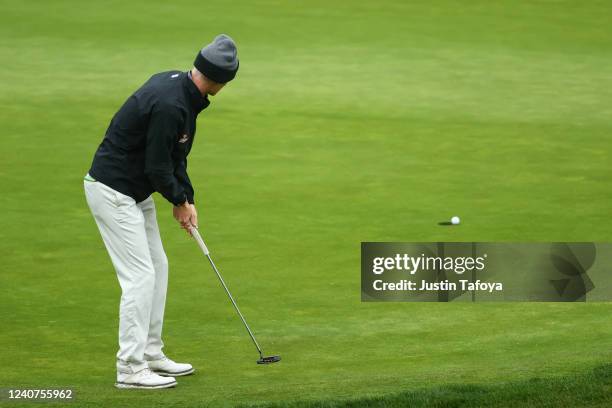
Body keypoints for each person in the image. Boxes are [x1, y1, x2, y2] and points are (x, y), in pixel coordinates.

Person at [83, 34, 239, 389]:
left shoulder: (181, 90)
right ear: (222, 80)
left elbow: (174, 156)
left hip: (135, 193)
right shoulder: (173, 104)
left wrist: (186, 198)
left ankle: (151, 352)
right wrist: (178, 201)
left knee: (158, 267)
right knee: (140, 277)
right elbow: (157, 166)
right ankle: (130, 368)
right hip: (113, 191)